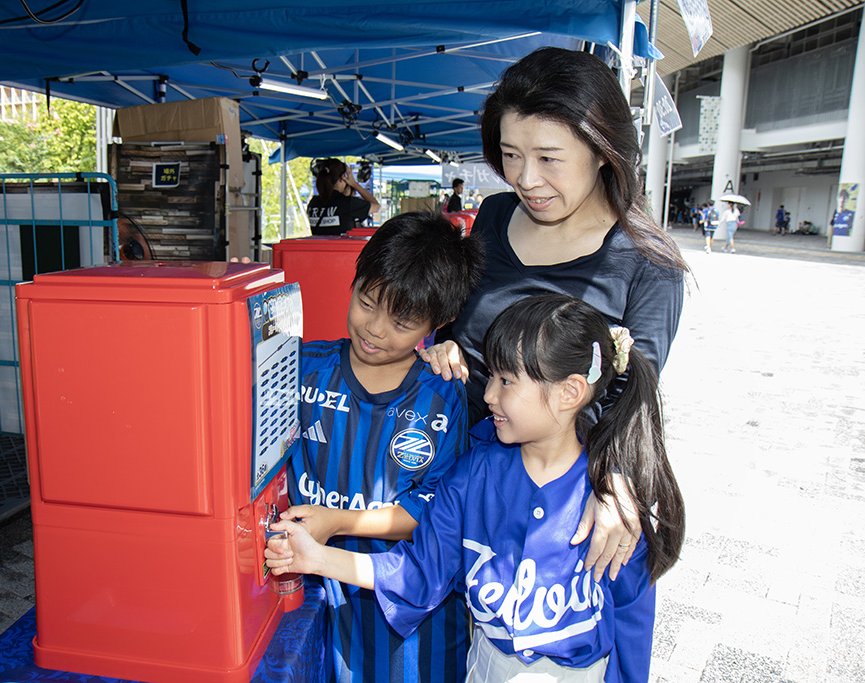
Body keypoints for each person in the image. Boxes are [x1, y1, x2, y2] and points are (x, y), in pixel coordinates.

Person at [268, 293, 686, 683]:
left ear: (570, 392)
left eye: (506, 381)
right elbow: (416, 572)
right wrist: (318, 557)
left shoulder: (611, 502)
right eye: (490, 376)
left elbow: (631, 616)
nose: (487, 394)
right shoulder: (472, 475)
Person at [418, 47, 688, 579]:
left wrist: (618, 485)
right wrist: (441, 344)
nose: (526, 179)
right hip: (458, 482)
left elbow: (635, 397)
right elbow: (455, 326)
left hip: (559, 512)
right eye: (510, 155)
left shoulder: (647, 262)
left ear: (603, 150)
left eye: (549, 158)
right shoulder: (494, 217)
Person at [288, 211, 484, 683]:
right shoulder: (302, 369)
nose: (375, 329)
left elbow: (432, 510)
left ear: (440, 322)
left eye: (402, 321)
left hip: (412, 624)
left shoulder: (441, 395)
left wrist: (338, 521)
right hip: (319, 600)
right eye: (367, 301)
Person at [307, 157, 381, 235]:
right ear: (342, 178)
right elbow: (376, 206)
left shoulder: (313, 203)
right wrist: (354, 183)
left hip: (316, 247)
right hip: (341, 247)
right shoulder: (347, 203)